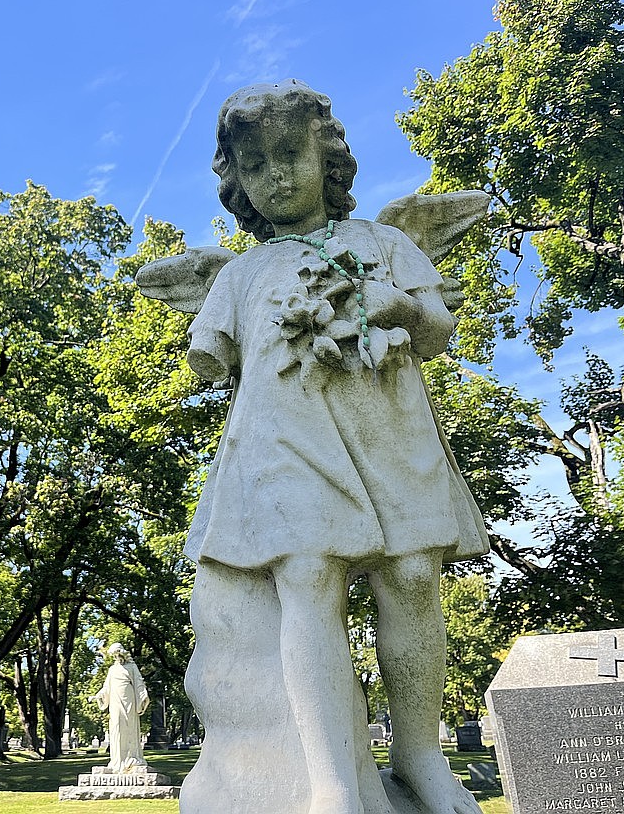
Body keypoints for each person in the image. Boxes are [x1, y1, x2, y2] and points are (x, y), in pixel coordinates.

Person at [179, 80, 489, 814]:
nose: (276, 175)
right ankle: (330, 784)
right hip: (285, 441)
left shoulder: (384, 243)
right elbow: (209, 352)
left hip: (390, 429)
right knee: (309, 579)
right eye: (255, 165)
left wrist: (406, 307)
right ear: (239, 184)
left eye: (290, 154)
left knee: (412, 576)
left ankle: (419, 755)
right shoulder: (243, 272)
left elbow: (439, 330)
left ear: (330, 158)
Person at [92, 643, 150, 773]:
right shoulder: (112, 669)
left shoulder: (132, 666)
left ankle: (131, 758)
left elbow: (139, 682)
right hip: (114, 700)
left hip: (129, 699)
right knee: (116, 726)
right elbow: (106, 687)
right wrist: (100, 694)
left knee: (129, 727)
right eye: (114, 655)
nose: (117, 657)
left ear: (123, 654)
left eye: (118, 654)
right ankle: (117, 760)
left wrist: (143, 695)